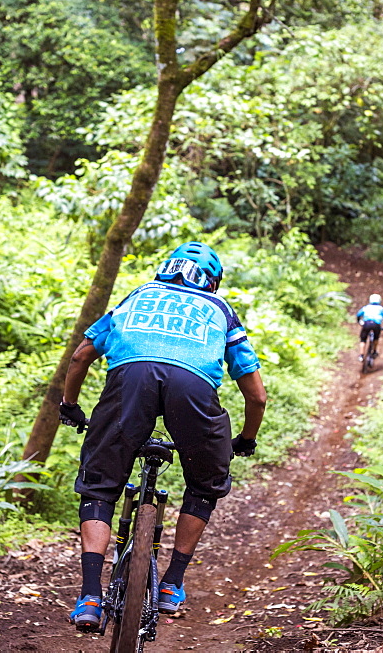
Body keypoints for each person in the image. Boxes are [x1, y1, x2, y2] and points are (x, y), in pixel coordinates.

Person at [58, 241, 267, 631]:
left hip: (130, 381)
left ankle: (89, 596)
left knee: (99, 487)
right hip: (194, 389)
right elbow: (256, 395)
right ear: (213, 282)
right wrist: (245, 439)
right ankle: (171, 584)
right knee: (205, 484)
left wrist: (70, 405)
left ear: (165, 269)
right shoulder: (220, 311)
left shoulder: (139, 296)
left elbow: (80, 355)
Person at [357, 293, 383, 361]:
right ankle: (374, 351)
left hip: (366, 324)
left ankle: (361, 355)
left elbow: (358, 314)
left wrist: (359, 321)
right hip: (376, 325)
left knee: (363, 340)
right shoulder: (381, 309)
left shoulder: (366, 307)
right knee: (376, 338)